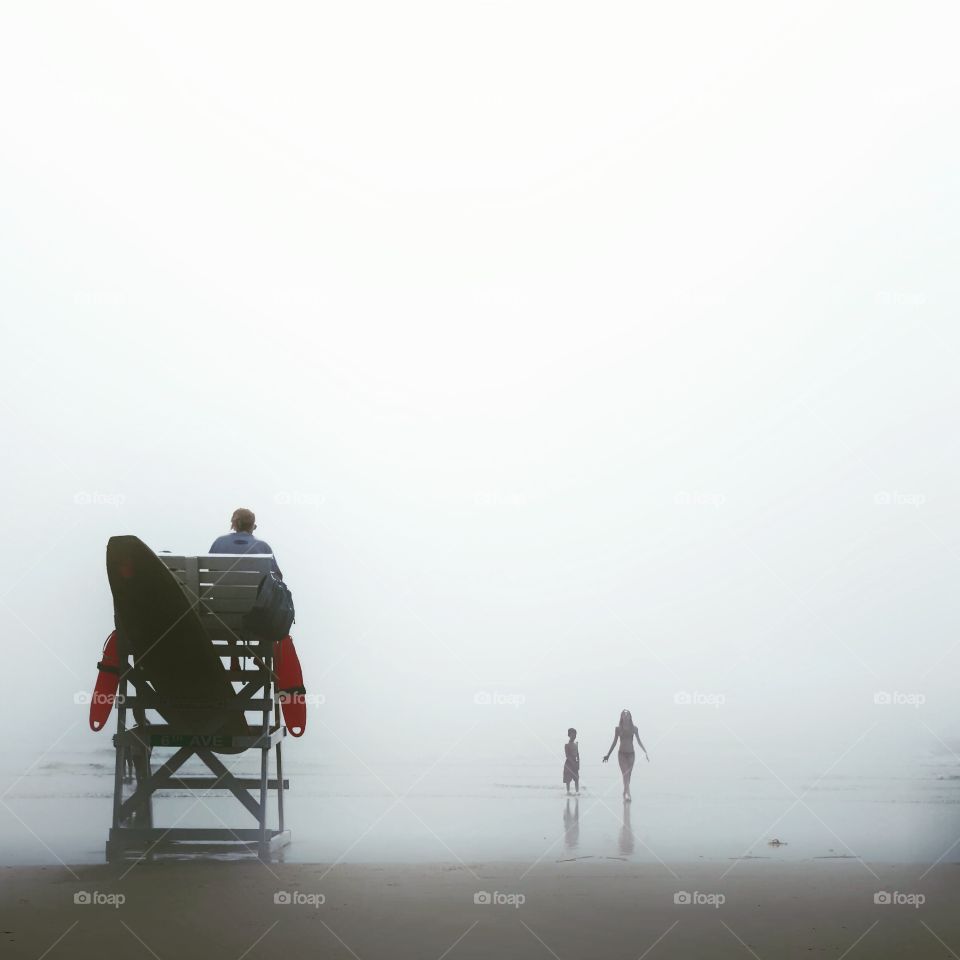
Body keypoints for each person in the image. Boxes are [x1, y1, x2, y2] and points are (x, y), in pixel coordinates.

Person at [209, 508, 283, 578]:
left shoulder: (219, 542)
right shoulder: (263, 546)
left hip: (222, 591)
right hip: (254, 591)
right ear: (252, 526)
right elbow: (277, 575)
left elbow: (210, 571)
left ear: (234, 525)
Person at [602, 708, 649, 801]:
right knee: (625, 774)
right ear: (621, 717)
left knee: (629, 775)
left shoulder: (634, 728)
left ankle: (625, 791)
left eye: (627, 714)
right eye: (624, 714)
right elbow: (614, 742)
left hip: (631, 754)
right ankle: (628, 793)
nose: (626, 715)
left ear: (630, 717)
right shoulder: (618, 729)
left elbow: (639, 741)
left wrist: (645, 751)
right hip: (622, 754)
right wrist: (608, 755)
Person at [563, 727, 580, 795]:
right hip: (568, 764)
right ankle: (568, 792)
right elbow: (567, 755)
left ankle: (577, 792)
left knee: (576, 779)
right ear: (569, 735)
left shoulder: (576, 744)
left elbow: (578, 754)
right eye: (573, 735)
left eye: (575, 735)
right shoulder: (567, 745)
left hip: (575, 763)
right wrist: (572, 763)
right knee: (568, 780)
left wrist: (578, 763)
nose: (574, 736)